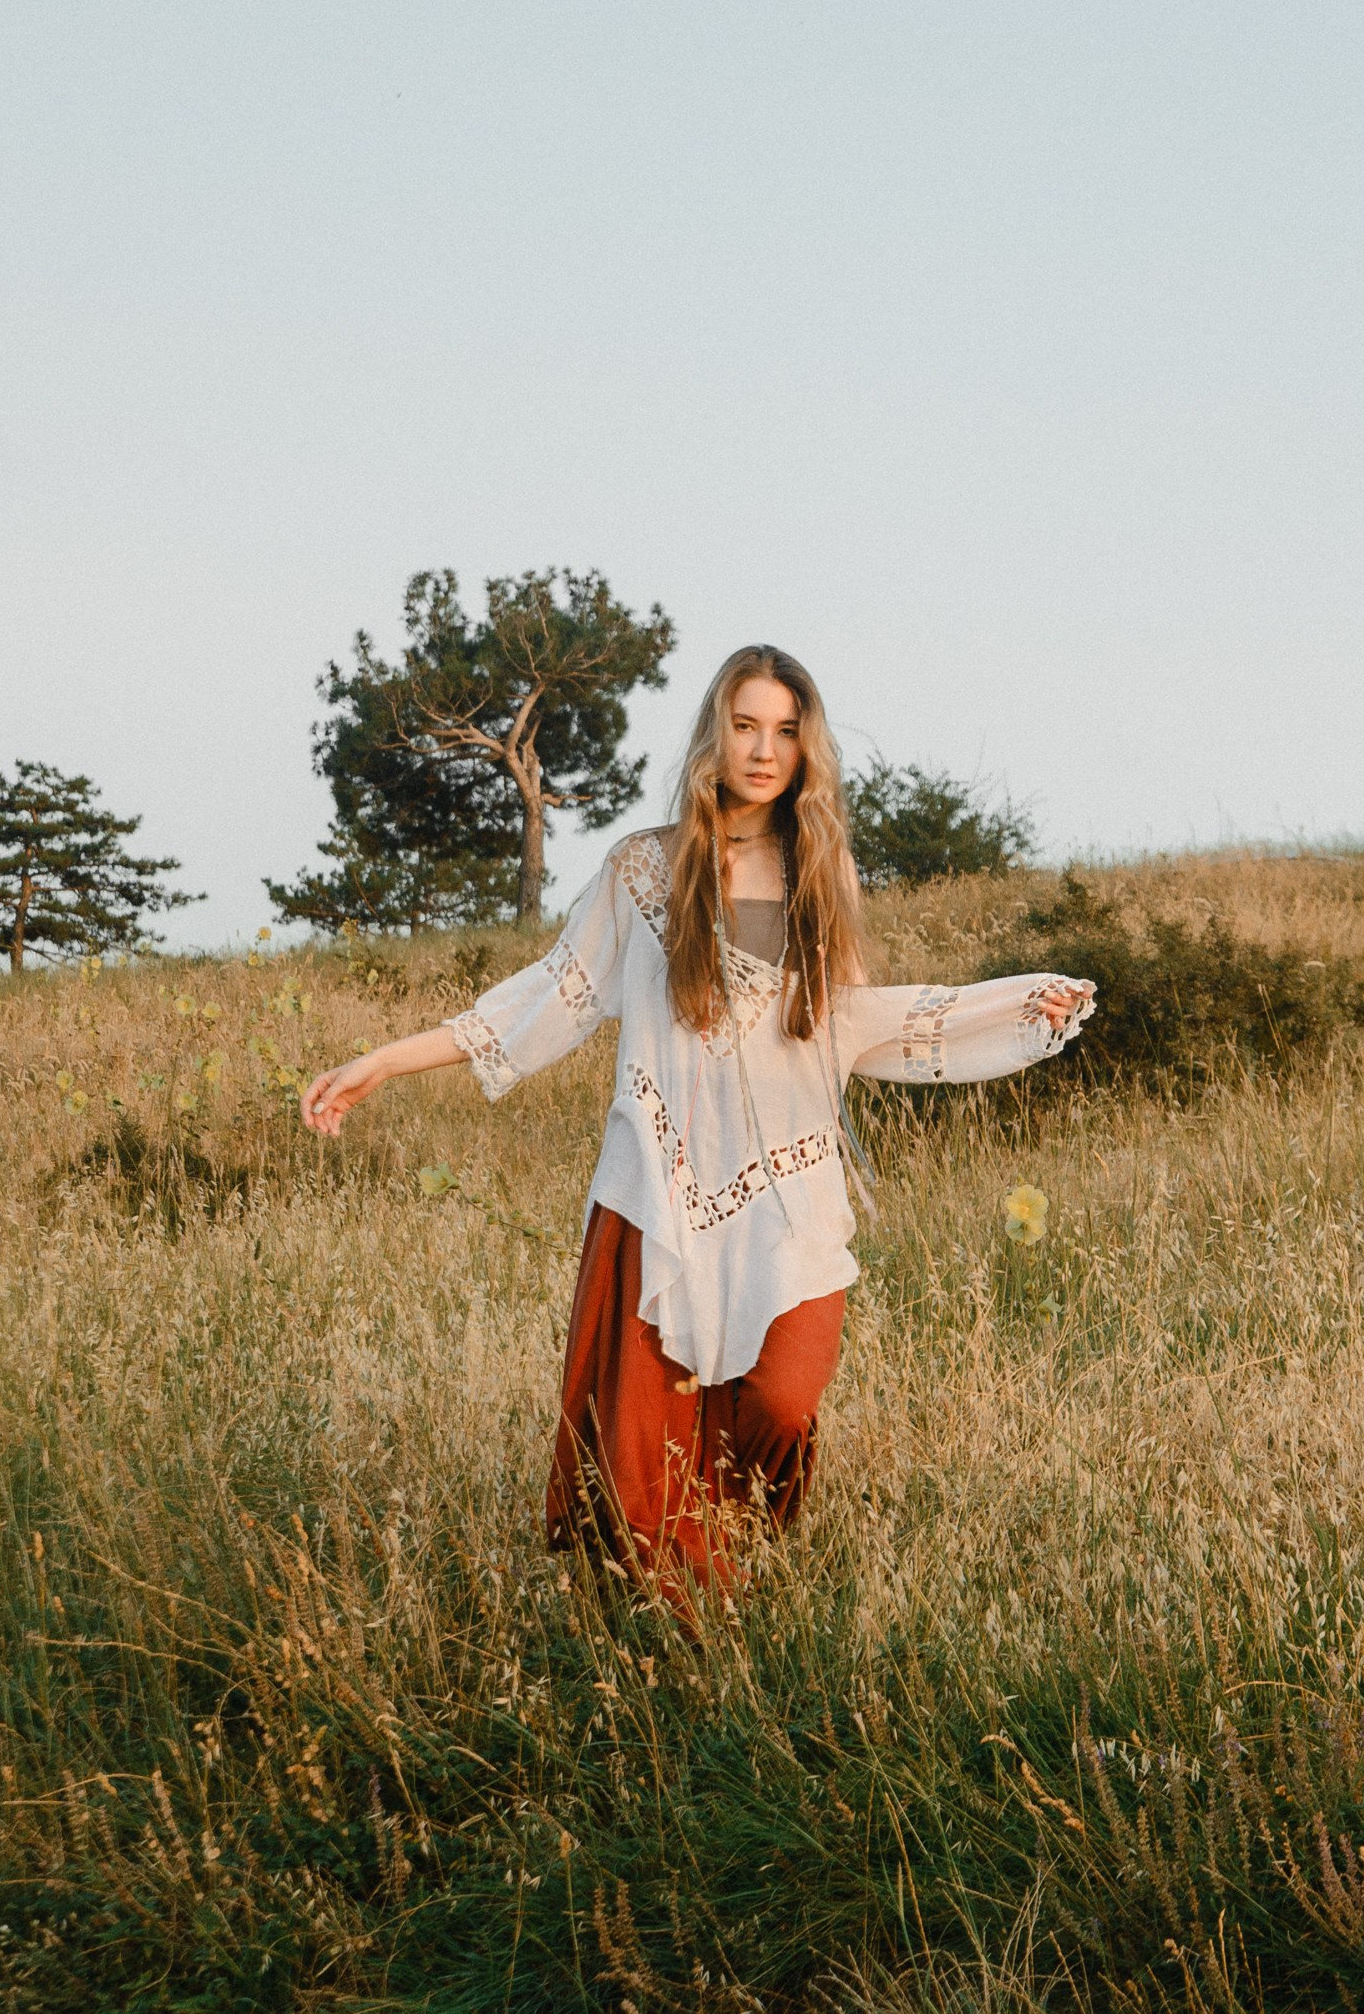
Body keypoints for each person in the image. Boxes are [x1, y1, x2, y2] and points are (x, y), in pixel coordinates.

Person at [300, 644, 1092, 1597]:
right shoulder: (645, 868)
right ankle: (698, 1625)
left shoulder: (817, 870)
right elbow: (550, 994)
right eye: (747, 725)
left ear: (807, 747)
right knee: (643, 1460)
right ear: (716, 733)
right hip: (659, 1192)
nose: (764, 749)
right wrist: (384, 1058)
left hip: (790, 1192)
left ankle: (739, 1540)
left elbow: (859, 1021)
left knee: (783, 1403)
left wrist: (1013, 1006)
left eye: (787, 731)